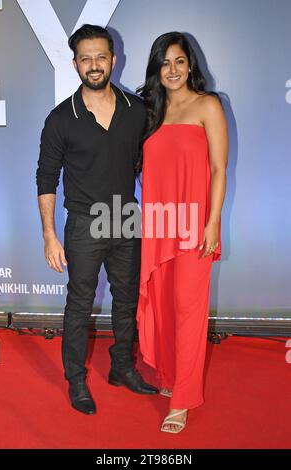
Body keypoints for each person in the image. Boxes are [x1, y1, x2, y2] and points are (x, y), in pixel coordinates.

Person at [36, 24, 158, 416]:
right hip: (84, 222)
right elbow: (46, 178)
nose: (93, 65)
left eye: (100, 57)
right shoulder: (60, 119)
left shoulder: (135, 110)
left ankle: (122, 368)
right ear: (75, 64)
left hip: (125, 218)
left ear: (113, 60)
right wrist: (50, 236)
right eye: (85, 58)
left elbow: (151, 162)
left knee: (126, 300)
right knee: (79, 303)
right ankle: (76, 380)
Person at [136, 32, 228, 433]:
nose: (172, 70)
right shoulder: (150, 112)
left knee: (190, 310)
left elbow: (220, 169)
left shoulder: (208, 105)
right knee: (162, 303)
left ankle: (183, 400)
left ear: (190, 64)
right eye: (165, 63)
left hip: (195, 226)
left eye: (179, 61)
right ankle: (170, 376)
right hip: (159, 224)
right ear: (157, 68)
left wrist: (212, 222)